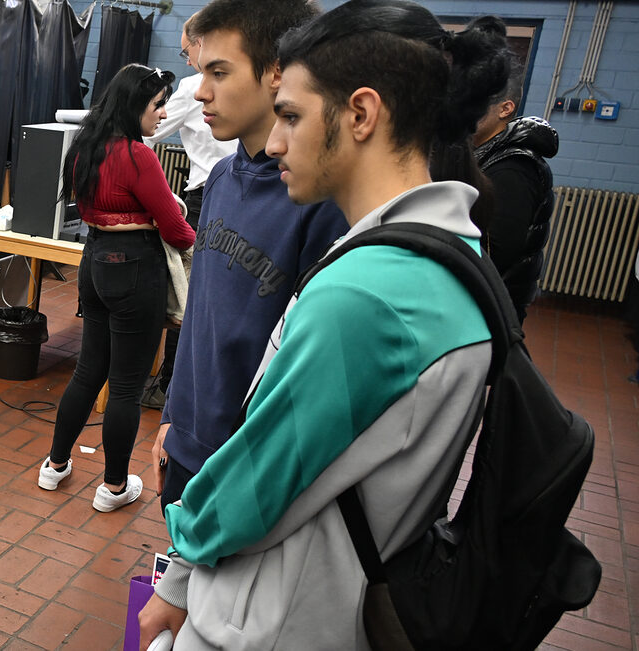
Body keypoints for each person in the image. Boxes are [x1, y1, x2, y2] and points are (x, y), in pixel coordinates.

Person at [138, 1, 507, 647]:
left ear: (360, 114)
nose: (275, 142)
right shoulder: (445, 251)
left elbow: (259, 475)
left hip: (274, 615)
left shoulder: (371, 293)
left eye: (291, 115)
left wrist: (179, 576)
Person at [150, 0, 349, 509]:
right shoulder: (220, 177)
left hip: (249, 465)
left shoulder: (318, 203)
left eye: (219, 72)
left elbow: (306, 370)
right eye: (201, 72)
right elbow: (200, 318)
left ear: (277, 73)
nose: (201, 92)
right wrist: (173, 416)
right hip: (188, 442)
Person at [33, 63, 193, 513]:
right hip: (135, 271)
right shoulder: (138, 156)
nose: (162, 114)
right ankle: (115, 487)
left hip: (95, 264)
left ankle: (56, 464)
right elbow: (177, 232)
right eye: (158, 105)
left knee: (89, 370)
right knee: (125, 386)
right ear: (134, 104)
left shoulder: (85, 148)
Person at [139, 11, 239, 411]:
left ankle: (170, 387)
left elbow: (143, 130)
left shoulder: (195, 86)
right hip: (227, 194)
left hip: (205, 198)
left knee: (188, 293)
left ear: (201, 44)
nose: (187, 62)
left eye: (185, 52)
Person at [471, 44, 559, 324]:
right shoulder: (481, 151)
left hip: (491, 308)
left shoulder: (514, 167)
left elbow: (494, 254)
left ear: (505, 108)